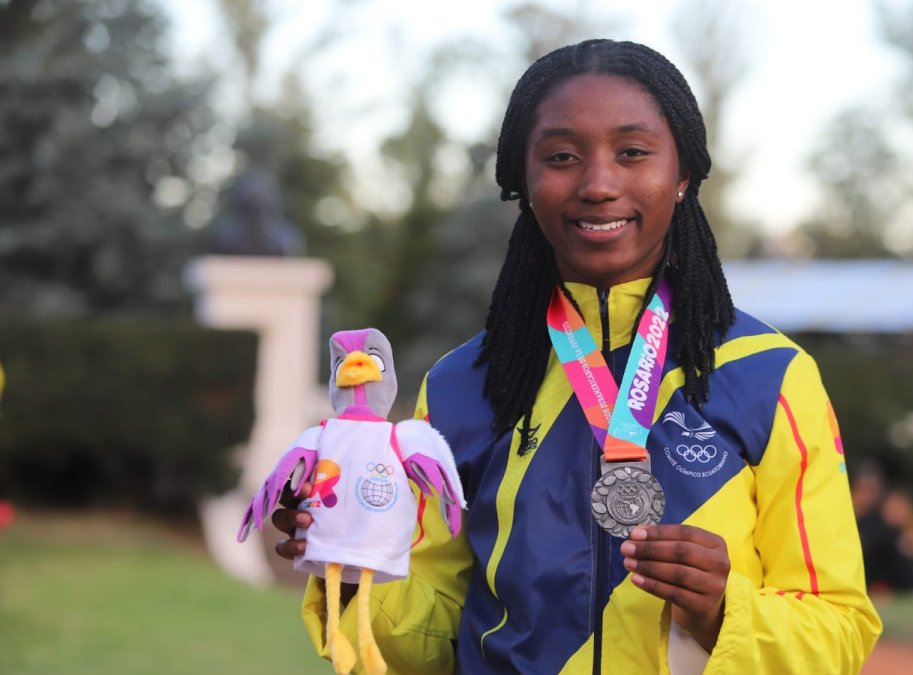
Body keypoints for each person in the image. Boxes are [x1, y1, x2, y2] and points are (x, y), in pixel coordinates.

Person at [272, 39, 881, 674]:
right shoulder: (461, 387)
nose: (597, 184)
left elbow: (838, 629)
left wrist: (724, 611)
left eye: (632, 153)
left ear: (682, 177)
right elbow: (434, 641)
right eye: (561, 157)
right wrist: (351, 571)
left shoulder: (769, 375)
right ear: (524, 181)